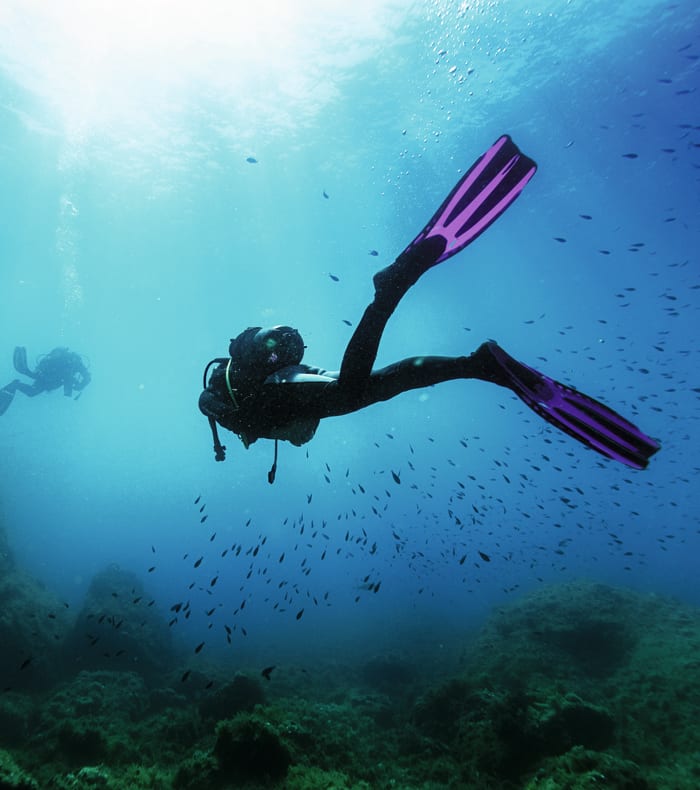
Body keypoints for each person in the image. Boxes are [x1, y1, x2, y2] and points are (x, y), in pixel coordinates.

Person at [200, 135, 660, 482]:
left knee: (352, 392)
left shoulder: (226, 405)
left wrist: (245, 421)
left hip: (278, 389)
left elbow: (254, 415)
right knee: (376, 385)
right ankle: (475, 364)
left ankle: (390, 292)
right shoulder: (236, 397)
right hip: (288, 383)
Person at [0, 346, 91, 416]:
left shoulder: (72, 362)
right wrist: (80, 385)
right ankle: (15, 385)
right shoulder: (74, 362)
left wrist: (80, 385)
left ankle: (14, 385)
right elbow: (87, 377)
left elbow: (86, 377)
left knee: (32, 391)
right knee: (32, 391)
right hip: (50, 380)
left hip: (47, 379)